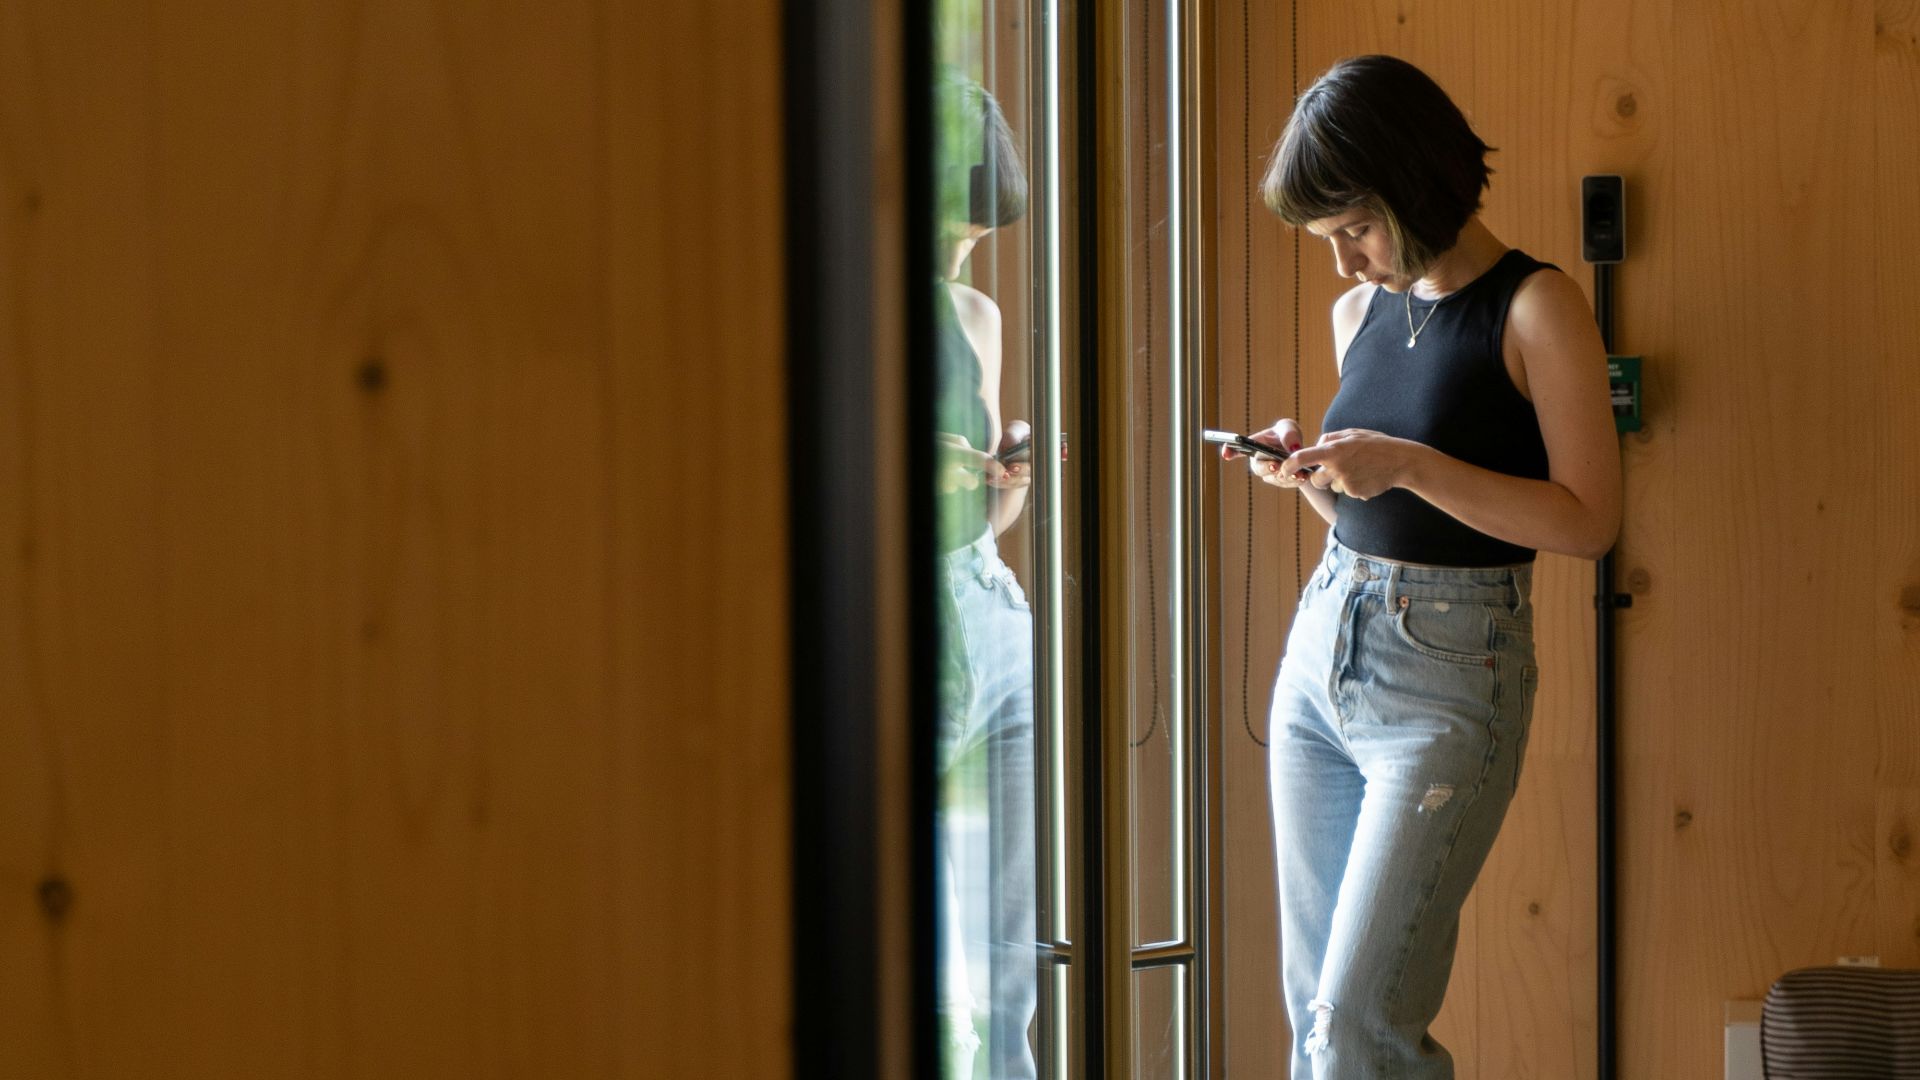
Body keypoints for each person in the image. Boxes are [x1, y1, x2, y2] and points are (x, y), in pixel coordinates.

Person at [1225, 55, 1621, 1078]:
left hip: (1449, 682)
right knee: (1317, 1014)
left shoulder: (1537, 309)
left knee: (1363, 1020)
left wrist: (1408, 461)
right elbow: (1374, 516)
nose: (1345, 266)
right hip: (1323, 653)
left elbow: (1588, 522)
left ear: (1412, 182)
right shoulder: (1357, 317)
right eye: (1329, 242)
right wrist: (1310, 475)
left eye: (1354, 230)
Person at [931, 71, 1039, 1080]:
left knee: (1015, 959)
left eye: (977, 235)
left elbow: (989, 512)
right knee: (923, 958)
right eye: (950, 229)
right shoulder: (831, 301)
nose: (965, 254)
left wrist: (1007, 476)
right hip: (906, 623)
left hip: (992, 605)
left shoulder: (973, 311)